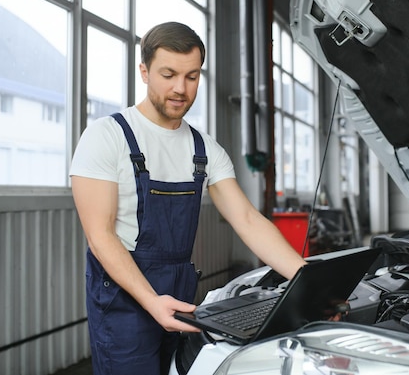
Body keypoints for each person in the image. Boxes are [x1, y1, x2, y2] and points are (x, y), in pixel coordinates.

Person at [70, 21, 307, 375]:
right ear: (145, 71)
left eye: (192, 76)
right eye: (169, 74)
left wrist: (309, 282)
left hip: (178, 290)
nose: (181, 88)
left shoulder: (204, 148)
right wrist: (151, 301)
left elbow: (246, 219)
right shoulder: (107, 136)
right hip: (124, 295)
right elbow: (99, 235)